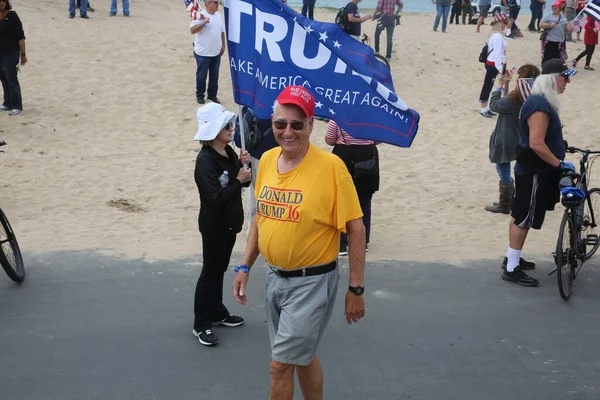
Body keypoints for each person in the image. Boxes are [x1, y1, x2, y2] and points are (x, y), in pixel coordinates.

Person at [232, 86, 366, 400]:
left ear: (310, 125)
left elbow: (356, 229)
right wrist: (244, 265)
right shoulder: (265, 160)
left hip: (312, 284)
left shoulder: (332, 168)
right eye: (280, 124)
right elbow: (260, 218)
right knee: (301, 358)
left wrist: (356, 288)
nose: (288, 132)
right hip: (275, 279)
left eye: (297, 124)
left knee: (279, 366)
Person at [501, 59, 577, 286]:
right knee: (523, 216)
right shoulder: (540, 105)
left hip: (532, 168)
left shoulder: (541, 102)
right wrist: (558, 164)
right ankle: (512, 268)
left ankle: (512, 258)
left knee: (521, 214)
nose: (568, 82)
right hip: (534, 170)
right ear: (553, 79)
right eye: (565, 77)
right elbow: (536, 143)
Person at [192, 103, 252, 346]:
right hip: (214, 224)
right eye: (226, 125)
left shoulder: (228, 152)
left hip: (229, 224)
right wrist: (238, 179)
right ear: (213, 130)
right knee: (210, 272)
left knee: (219, 270)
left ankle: (216, 311)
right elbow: (214, 197)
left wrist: (244, 167)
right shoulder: (206, 160)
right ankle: (201, 323)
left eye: (231, 124)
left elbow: (243, 183)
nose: (231, 128)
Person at [485, 64, 541, 214]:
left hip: (507, 136)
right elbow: (506, 104)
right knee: (516, 169)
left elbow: (495, 105)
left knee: (503, 168)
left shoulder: (516, 97)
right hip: (521, 137)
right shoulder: (532, 95)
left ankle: (505, 203)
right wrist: (507, 85)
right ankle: (511, 200)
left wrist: (499, 86)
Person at [325, 120, 379, 255]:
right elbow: (379, 139)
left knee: (340, 200)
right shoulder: (372, 115)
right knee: (364, 201)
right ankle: (363, 242)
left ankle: (342, 243)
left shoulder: (339, 115)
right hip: (367, 156)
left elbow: (329, 140)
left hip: (344, 156)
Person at [190, 0, 225, 105]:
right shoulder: (200, 15)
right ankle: (200, 96)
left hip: (215, 52)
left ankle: (212, 95)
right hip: (202, 53)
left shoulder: (218, 16)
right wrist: (203, 22)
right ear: (208, 3)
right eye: (216, 2)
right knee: (201, 75)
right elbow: (192, 30)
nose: (218, 4)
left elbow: (222, 31)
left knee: (214, 75)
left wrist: (223, 45)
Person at [478, 13, 509, 118]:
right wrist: (501, 69)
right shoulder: (497, 37)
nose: (505, 25)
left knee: (489, 85)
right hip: (493, 65)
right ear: (500, 23)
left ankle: (485, 107)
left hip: (493, 64)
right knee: (487, 85)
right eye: (504, 23)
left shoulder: (497, 35)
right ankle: (483, 108)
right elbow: (497, 54)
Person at [0, 0, 26, 116]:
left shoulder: (12, 16)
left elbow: (20, 36)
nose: (1, 3)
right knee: (3, 77)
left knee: (11, 78)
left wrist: (23, 54)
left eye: (3, 1)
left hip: (11, 52)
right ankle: (7, 103)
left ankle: (17, 106)